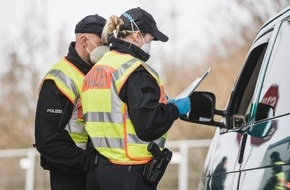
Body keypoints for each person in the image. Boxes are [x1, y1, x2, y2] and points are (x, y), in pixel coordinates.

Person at [81, 7, 191, 190]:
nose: (150, 45)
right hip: (128, 172)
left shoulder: (97, 69)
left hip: (98, 170)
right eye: (150, 39)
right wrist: (173, 110)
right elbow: (148, 125)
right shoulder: (134, 71)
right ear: (137, 36)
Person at [34, 14, 107, 190]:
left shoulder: (97, 74)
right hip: (70, 174)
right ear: (84, 41)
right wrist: (88, 161)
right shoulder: (59, 79)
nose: (107, 49)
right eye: (103, 42)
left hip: (94, 171)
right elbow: (48, 139)